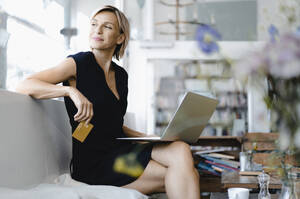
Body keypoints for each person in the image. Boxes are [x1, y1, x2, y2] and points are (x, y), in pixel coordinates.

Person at [16, 5, 200, 199]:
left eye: (107, 27)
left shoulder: (121, 76)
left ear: (120, 38)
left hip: (119, 151)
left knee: (180, 149)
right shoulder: (79, 63)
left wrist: (149, 137)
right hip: (93, 162)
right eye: (94, 25)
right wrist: (69, 91)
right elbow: (24, 85)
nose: (98, 30)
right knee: (184, 173)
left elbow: (114, 124)